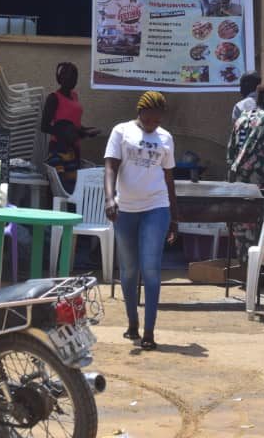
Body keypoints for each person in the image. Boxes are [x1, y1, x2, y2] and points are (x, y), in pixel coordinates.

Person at [104, 91, 178, 351]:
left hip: (156, 207)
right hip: (125, 209)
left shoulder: (165, 138)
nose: (153, 123)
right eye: (149, 118)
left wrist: (174, 218)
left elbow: (169, 179)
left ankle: (149, 331)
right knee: (128, 270)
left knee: (151, 269)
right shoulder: (121, 131)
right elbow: (111, 166)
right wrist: (110, 198)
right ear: (140, 112)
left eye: (158, 120)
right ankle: (132, 322)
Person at [41, 62, 100, 191]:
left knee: (74, 186)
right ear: (60, 78)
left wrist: (85, 130)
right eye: (68, 76)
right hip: (59, 149)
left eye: (74, 76)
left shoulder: (74, 96)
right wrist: (65, 133)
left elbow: (74, 123)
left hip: (74, 148)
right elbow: (44, 126)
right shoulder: (54, 98)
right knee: (61, 188)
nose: (71, 80)